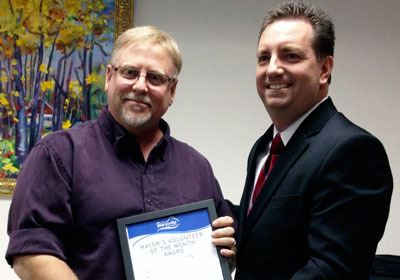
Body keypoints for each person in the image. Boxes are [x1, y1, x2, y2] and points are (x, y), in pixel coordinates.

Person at [6, 26, 236, 279]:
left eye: (155, 78)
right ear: (108, 77)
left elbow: (224, 254)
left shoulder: (197, 168)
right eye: (130, 72)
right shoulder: (58, 155)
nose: (140, 86)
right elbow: (30, 253)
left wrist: (227, 252)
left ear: (171, 92)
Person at [231, 2, 393, 279]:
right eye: (263, 57)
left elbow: (332, 271)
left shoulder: (352, 150)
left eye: (290, 56)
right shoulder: (264, 147)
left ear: (325, 68)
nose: (272, 69)